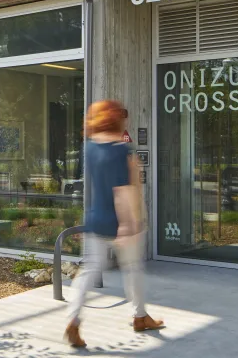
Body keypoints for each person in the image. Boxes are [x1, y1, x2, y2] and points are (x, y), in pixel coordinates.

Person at [65, 100, 164, 348]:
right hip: (121, 220)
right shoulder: (122, 151)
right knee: (133, 270)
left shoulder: (88, 148)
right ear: (117, 120)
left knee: (88, 271)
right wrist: (130, 224)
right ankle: (140, 316)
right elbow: (123, 191)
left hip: (95, 218)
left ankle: (73, 320)